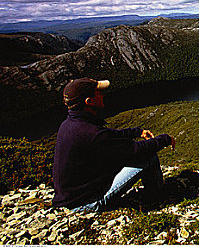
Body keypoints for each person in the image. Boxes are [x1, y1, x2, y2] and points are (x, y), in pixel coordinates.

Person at [52, 77, 175, 211]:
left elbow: (107, 135)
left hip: (71, 197)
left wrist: (136, 132)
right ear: (89, 101)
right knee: (148, 157)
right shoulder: (91, 133)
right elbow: (136, 150)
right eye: (99, 92)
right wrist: (165, 139)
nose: (103, 95)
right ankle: (156, 197)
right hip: (86, 203)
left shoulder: (70, 124)